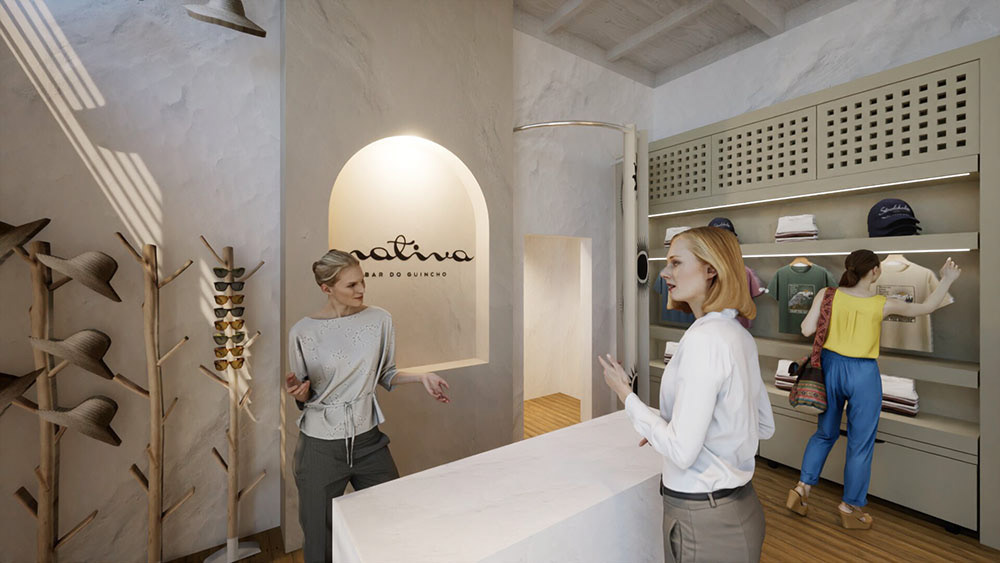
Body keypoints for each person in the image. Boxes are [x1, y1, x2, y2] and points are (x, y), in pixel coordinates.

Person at [600, 226, 774, 563]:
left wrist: (626, 394)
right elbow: (763, 426)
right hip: (740, 510)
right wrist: (670, 427)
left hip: (703, 521)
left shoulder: (704, 341)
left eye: (676, 263)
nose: (665, 272)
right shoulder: (739, 335)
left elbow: (681, 451)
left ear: (711, 269)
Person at [285, 249, 451, 563]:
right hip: (320, 448)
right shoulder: (302, 332)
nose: (361, 289)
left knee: (390, 519)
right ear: (326, 288)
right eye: (351, 285)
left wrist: (422, 378)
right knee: (320, 539)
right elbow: (305, 395)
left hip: (368, 442)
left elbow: (386, 373)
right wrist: (300, 394)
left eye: (362, 280)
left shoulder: (380, 319)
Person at [786, 250, 960, 529]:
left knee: (825, 433)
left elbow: (807, 329)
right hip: (863, 373)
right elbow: (927, 307)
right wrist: (947, 279)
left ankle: (802, 489)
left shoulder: (827, 294)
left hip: (830, 367)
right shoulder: (882, 303)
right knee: (860, 443)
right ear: (875, 271)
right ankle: (849, 507)